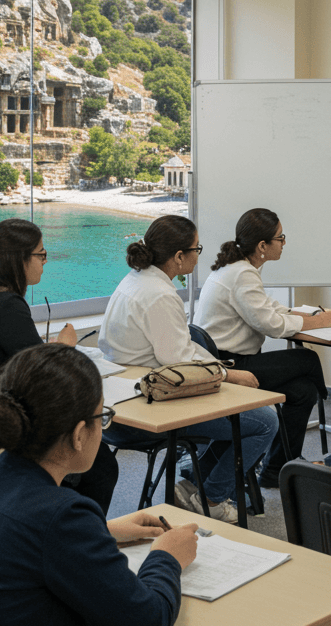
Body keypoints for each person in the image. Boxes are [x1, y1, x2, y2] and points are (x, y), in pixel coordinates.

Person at [0, 343, 198, 626]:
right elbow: (148, 618)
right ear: (78, 435)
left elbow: (18, 544)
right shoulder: (61, 515)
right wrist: (167, 555)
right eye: (102, 417)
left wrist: (103, 533)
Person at [0, 217, 118, 513]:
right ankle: (74, 537)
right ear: (19, 260)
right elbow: (45, 377)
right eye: (41, 254)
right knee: (100, 463)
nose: (44, 262)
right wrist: (65, 346)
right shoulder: (5, 304)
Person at [99, 214, 279, 523]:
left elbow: (179, 349)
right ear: (179, 256)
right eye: (196, 249)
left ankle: (193, 485)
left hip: (119, 403)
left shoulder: (134, 281)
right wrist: (228, 374)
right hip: (151, 406)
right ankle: (211, 498)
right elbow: (178, 362)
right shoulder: (160, 294)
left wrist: (218, 367)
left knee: (242, 416)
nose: (199, 255)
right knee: (265, 421)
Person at [195, 208, 331, 488]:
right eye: (280, 238)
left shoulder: (238, 269)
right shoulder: (242, 274)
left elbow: (266, 308)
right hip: (231, 367)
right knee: (307, 359)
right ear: (263, 246)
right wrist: (318, 321)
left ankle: (276, 470)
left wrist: (303, 317)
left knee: (302, 392)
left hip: (227, 359)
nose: (284, 243)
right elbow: (271, 324)